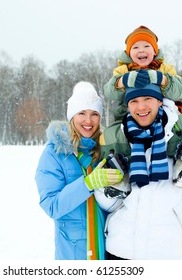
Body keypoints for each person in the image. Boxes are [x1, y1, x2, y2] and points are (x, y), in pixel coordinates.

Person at [95, 84, 182, 260]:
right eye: (134, 101)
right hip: (120, 251)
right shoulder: (119, 142)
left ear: (159, 101)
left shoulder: (180, 138)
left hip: (164, 254)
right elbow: (110, 206)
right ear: (127, 106)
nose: (141, 107)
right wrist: (106, 184)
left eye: (147, 98)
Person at [104, 25, 182, 186]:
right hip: (130, 114)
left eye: (146, 46)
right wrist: (123, 81)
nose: (141, 50)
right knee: (119, 138)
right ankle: (121, 176)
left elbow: (178, 89)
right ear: (129, 53)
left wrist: (161, 78)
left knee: (177, 135)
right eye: (135, 47)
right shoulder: (122, 70)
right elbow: (109, 92)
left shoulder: (164, 68)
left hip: (163, 112)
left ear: (155, 50)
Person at [35, 81, 123, 260]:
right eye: (82, 113)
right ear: (72, 115)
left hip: (109, 250)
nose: (88, 121)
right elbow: (52, 205)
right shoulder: (55, 153)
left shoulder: (106, 147)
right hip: (73, 253)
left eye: (94, 114)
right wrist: (88, 183)